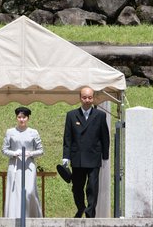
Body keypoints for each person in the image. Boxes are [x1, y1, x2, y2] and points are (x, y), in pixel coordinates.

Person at [62, 86, 110, 218]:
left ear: (93, 98)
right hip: (77, 157)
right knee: (77, 187)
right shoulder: (71, 115)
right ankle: (80, 207)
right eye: (84, 97)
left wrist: (105, 156)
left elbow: (105, 137)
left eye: (90, 97)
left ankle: (90, 212)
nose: (87, 100)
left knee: (92, 187)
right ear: (80, 98)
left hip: (94, 156)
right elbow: (67, 137)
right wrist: (66, 156)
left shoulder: (100, 115)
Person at [1, 106, 44, 218]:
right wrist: (14, 153)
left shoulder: (33, 132)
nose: (21, 119)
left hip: (29, 166)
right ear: (16, 118)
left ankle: (31, 216)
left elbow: (40, 150)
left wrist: (30, 153)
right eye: (19, 117)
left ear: (28, 118)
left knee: (29, 191)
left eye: (24, 117)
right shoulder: (10, 132)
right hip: (14, 166)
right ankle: (14, 217)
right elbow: (4, 150)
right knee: (15, 191)